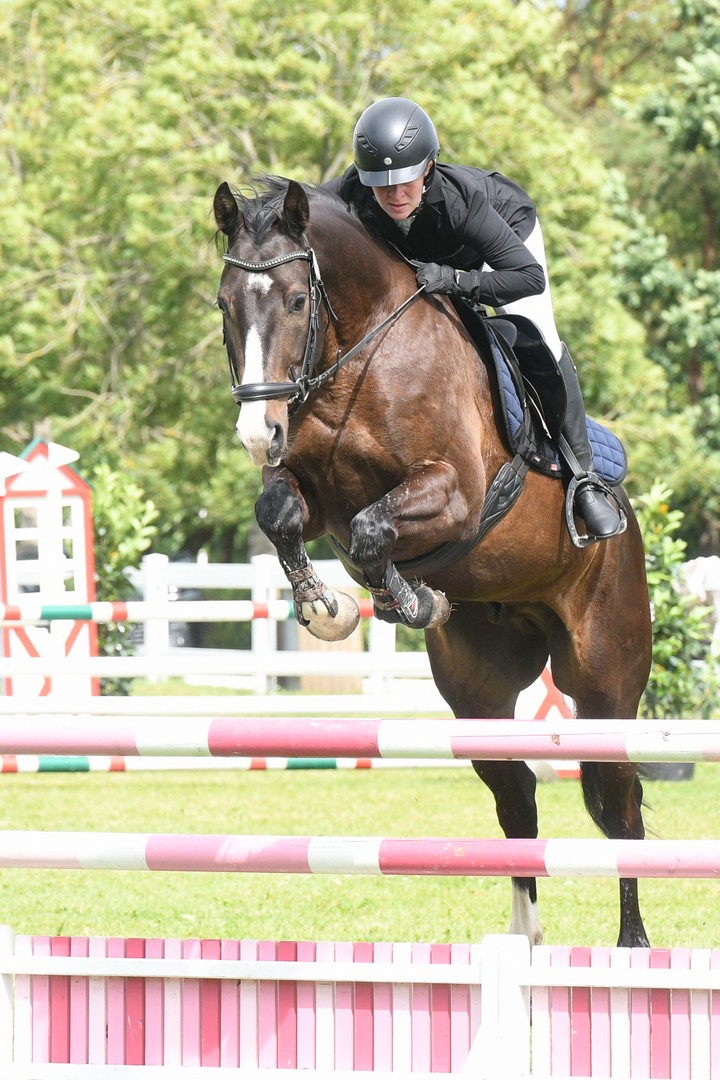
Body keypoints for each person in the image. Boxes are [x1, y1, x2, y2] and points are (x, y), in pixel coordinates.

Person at [323, 96, 623, 542]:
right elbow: (305, 213)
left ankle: (583, 477)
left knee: (540, 337)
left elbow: (529, 277)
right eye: (381, 185)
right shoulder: (351, 191)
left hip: (501, 246)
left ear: (428, 168)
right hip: (433, 261)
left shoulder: (461, 202)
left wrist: (458, 281)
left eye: (405, 181)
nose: (395, 194)